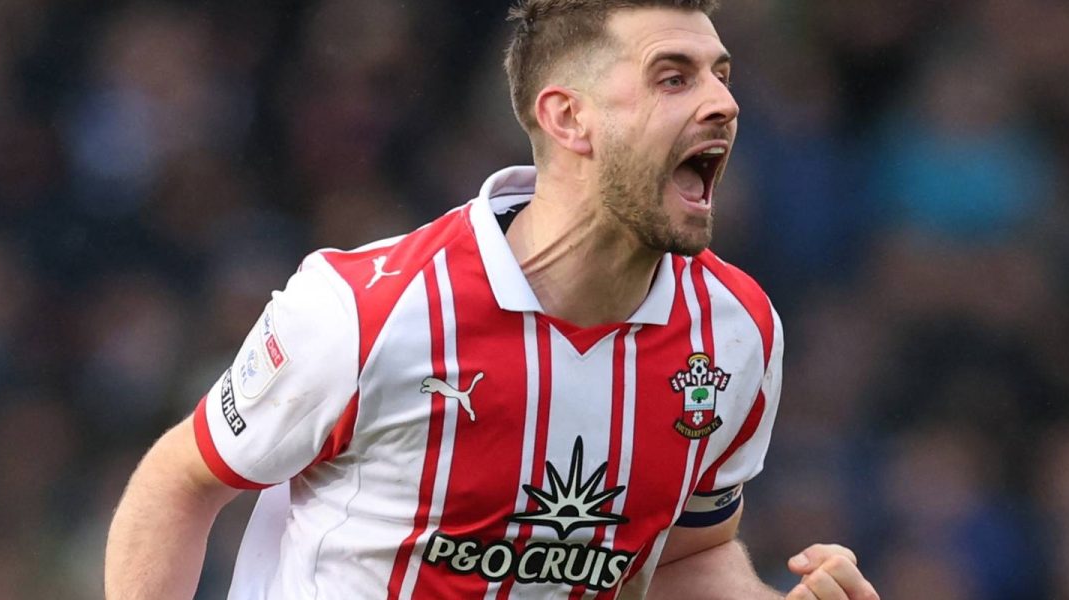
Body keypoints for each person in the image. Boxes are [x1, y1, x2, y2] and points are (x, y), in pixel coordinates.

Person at [104, 1, 880, 598]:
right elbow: (181, 481)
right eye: (674, 76)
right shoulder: (367, 309)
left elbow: (685, 555)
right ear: (568, 116)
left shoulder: (736, 333)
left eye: (722, 75)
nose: (722, 103)